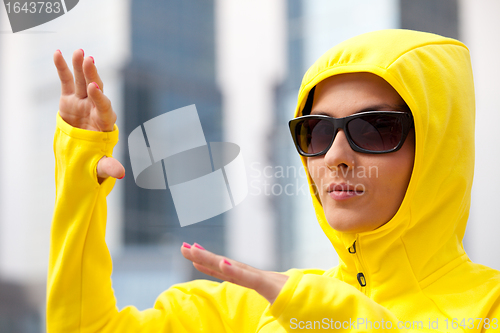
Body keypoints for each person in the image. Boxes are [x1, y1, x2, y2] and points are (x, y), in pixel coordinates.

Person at [47, 29, 500, 332]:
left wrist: (335, 318)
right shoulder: (258, 308)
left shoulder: (487, 309)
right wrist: (81, 172)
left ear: (440, 146)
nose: (336, 156)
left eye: (376, 128)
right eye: (317, 131)